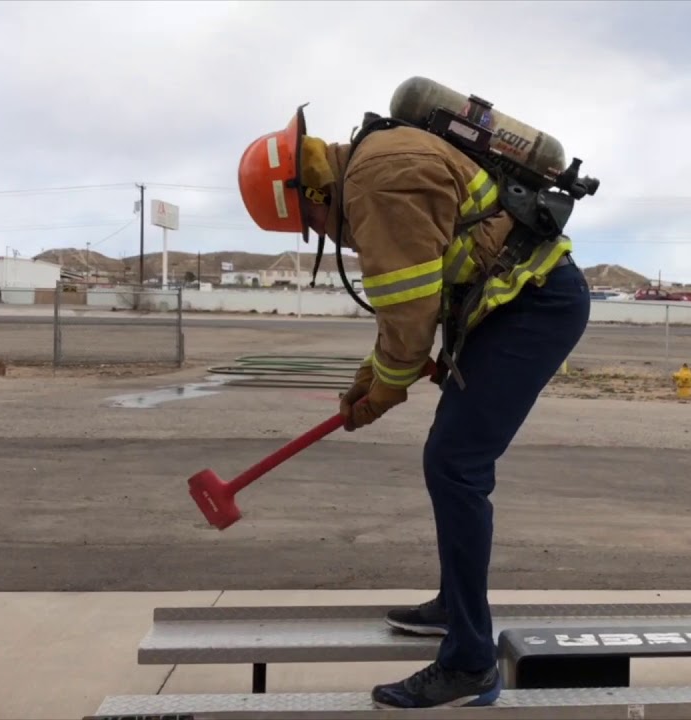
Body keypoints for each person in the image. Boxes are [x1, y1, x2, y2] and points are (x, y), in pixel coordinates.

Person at [237, 103, 591, 709]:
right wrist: (369, 375)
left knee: (455, 464)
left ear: (314, 190)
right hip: (512, 307)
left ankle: (471, 663)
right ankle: (455, 606)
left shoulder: (379, 182)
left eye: (310, 222)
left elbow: (408, 313)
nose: (322, 233)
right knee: (451, 461)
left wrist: (382, 390)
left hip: (534, 309)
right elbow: (409, 309)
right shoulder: (374, 169)